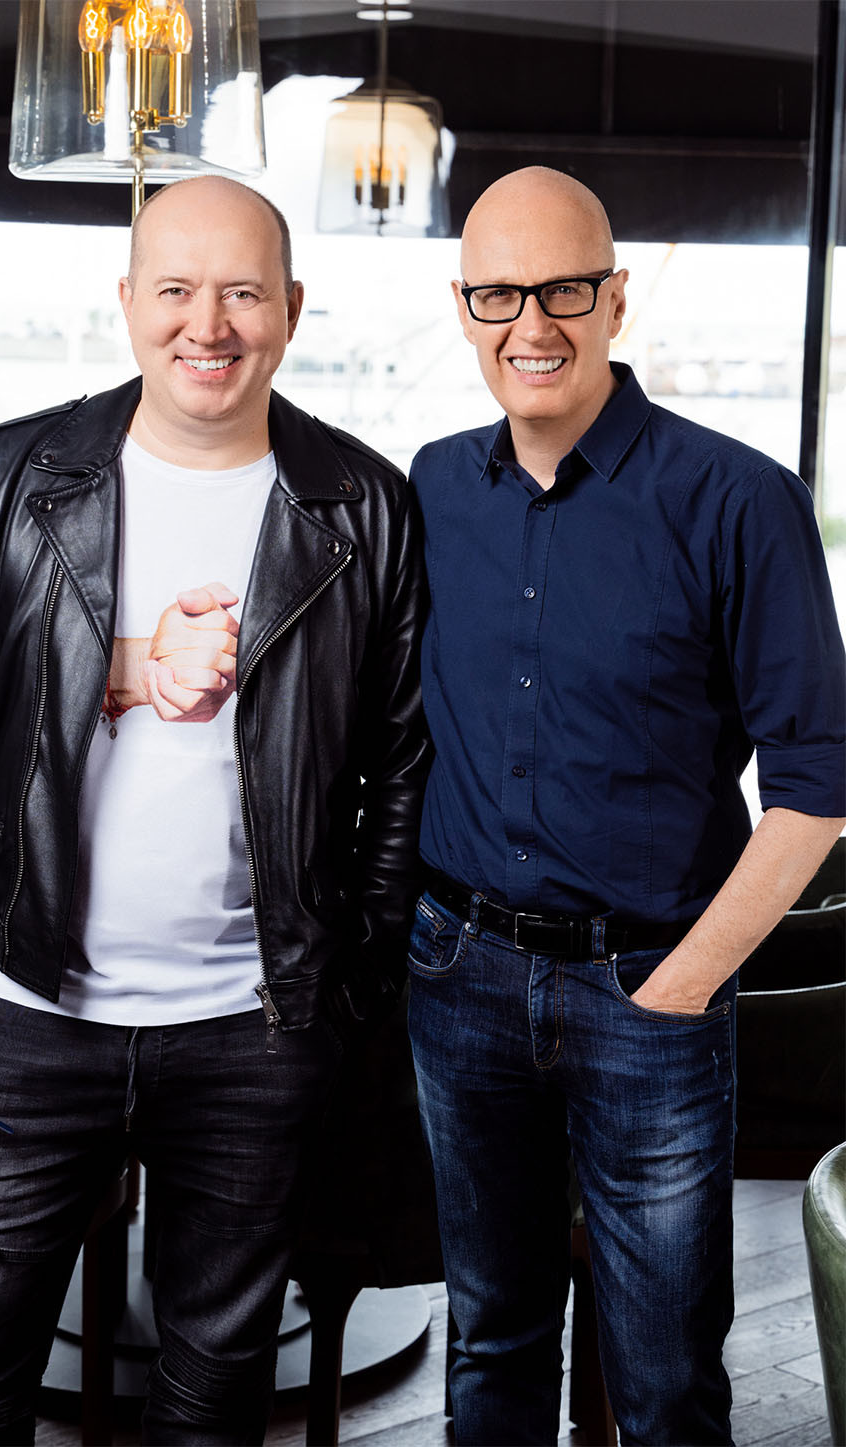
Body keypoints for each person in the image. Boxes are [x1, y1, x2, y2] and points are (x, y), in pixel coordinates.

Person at [0, 176, 428, 1446]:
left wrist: (349, 988)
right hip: (29, 1014)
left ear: (291, 309)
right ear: (126, 303)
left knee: (215, 1392)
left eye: (242, 292)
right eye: (175, 289)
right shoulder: (18, 475)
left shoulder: (364, 505)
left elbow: (401, 770)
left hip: (255, 1029)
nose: (205, 325)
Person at [406, 165, 845, 1447]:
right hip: (459, 975)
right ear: (463, 307)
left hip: (649, 989)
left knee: (663, 1382)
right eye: (498, 295)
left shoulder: (738, 499)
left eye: (562, 290)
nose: (530, 325)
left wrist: (685, 983)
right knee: (489, 1339)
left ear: (615, 297)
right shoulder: (432, 487)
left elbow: (817, 787)